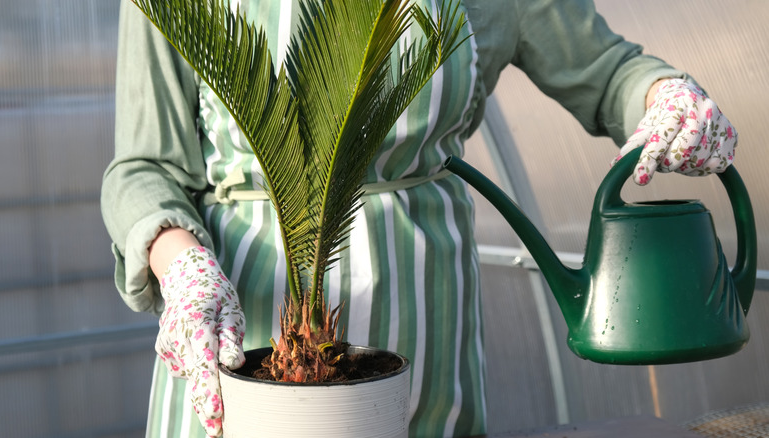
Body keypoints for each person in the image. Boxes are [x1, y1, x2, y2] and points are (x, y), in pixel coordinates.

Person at [101, 0, 737, 437]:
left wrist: (665, 96)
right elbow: (143, 166)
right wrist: (182, 267)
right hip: (242, 344)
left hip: (427, 336)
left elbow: (606, 70)